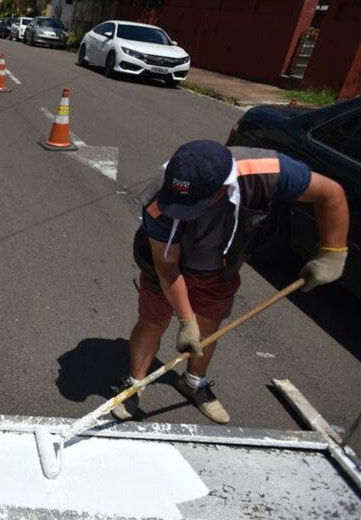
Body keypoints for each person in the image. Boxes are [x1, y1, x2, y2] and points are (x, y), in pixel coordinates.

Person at [115, 139, 348, 424]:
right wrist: (187, 321)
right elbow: (167, 266)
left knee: (209, 325)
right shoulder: (158, 200)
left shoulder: (267, 171)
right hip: (166, 264)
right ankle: (134, 385)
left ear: (223, 186)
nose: (181, 211)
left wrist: (333, 252)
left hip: (220, 267)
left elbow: (331, 193)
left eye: (193, 204)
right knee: (153, 321)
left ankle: (193, 382)